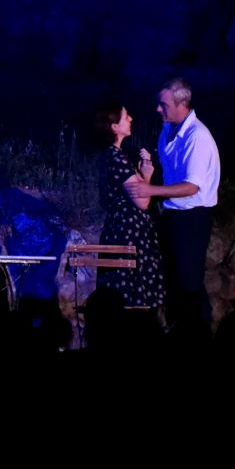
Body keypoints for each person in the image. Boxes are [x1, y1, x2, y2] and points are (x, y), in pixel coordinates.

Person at [125, 77, 220, 338]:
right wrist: (150, 172)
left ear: (182, 104)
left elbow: (192, 186)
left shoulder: (197, 136)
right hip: (173, 214)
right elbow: (171, 174)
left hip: (192, 216)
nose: (158, 109)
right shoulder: (169, 130)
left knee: (189, 282)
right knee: (175, 280)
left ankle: (199, 334)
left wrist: (150, 190)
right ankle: (181, 333)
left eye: (163, 104)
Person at [92, 100, 166, 318]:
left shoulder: (112, 156)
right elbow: (142, 201)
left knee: (128, 294)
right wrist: (148, 179)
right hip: (128, 232)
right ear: (114, 126)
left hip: (122, 228)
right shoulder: (116, 158)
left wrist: (146, 175)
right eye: (126, 117)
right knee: (131, 294)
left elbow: (138, 194)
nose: (131, 119)